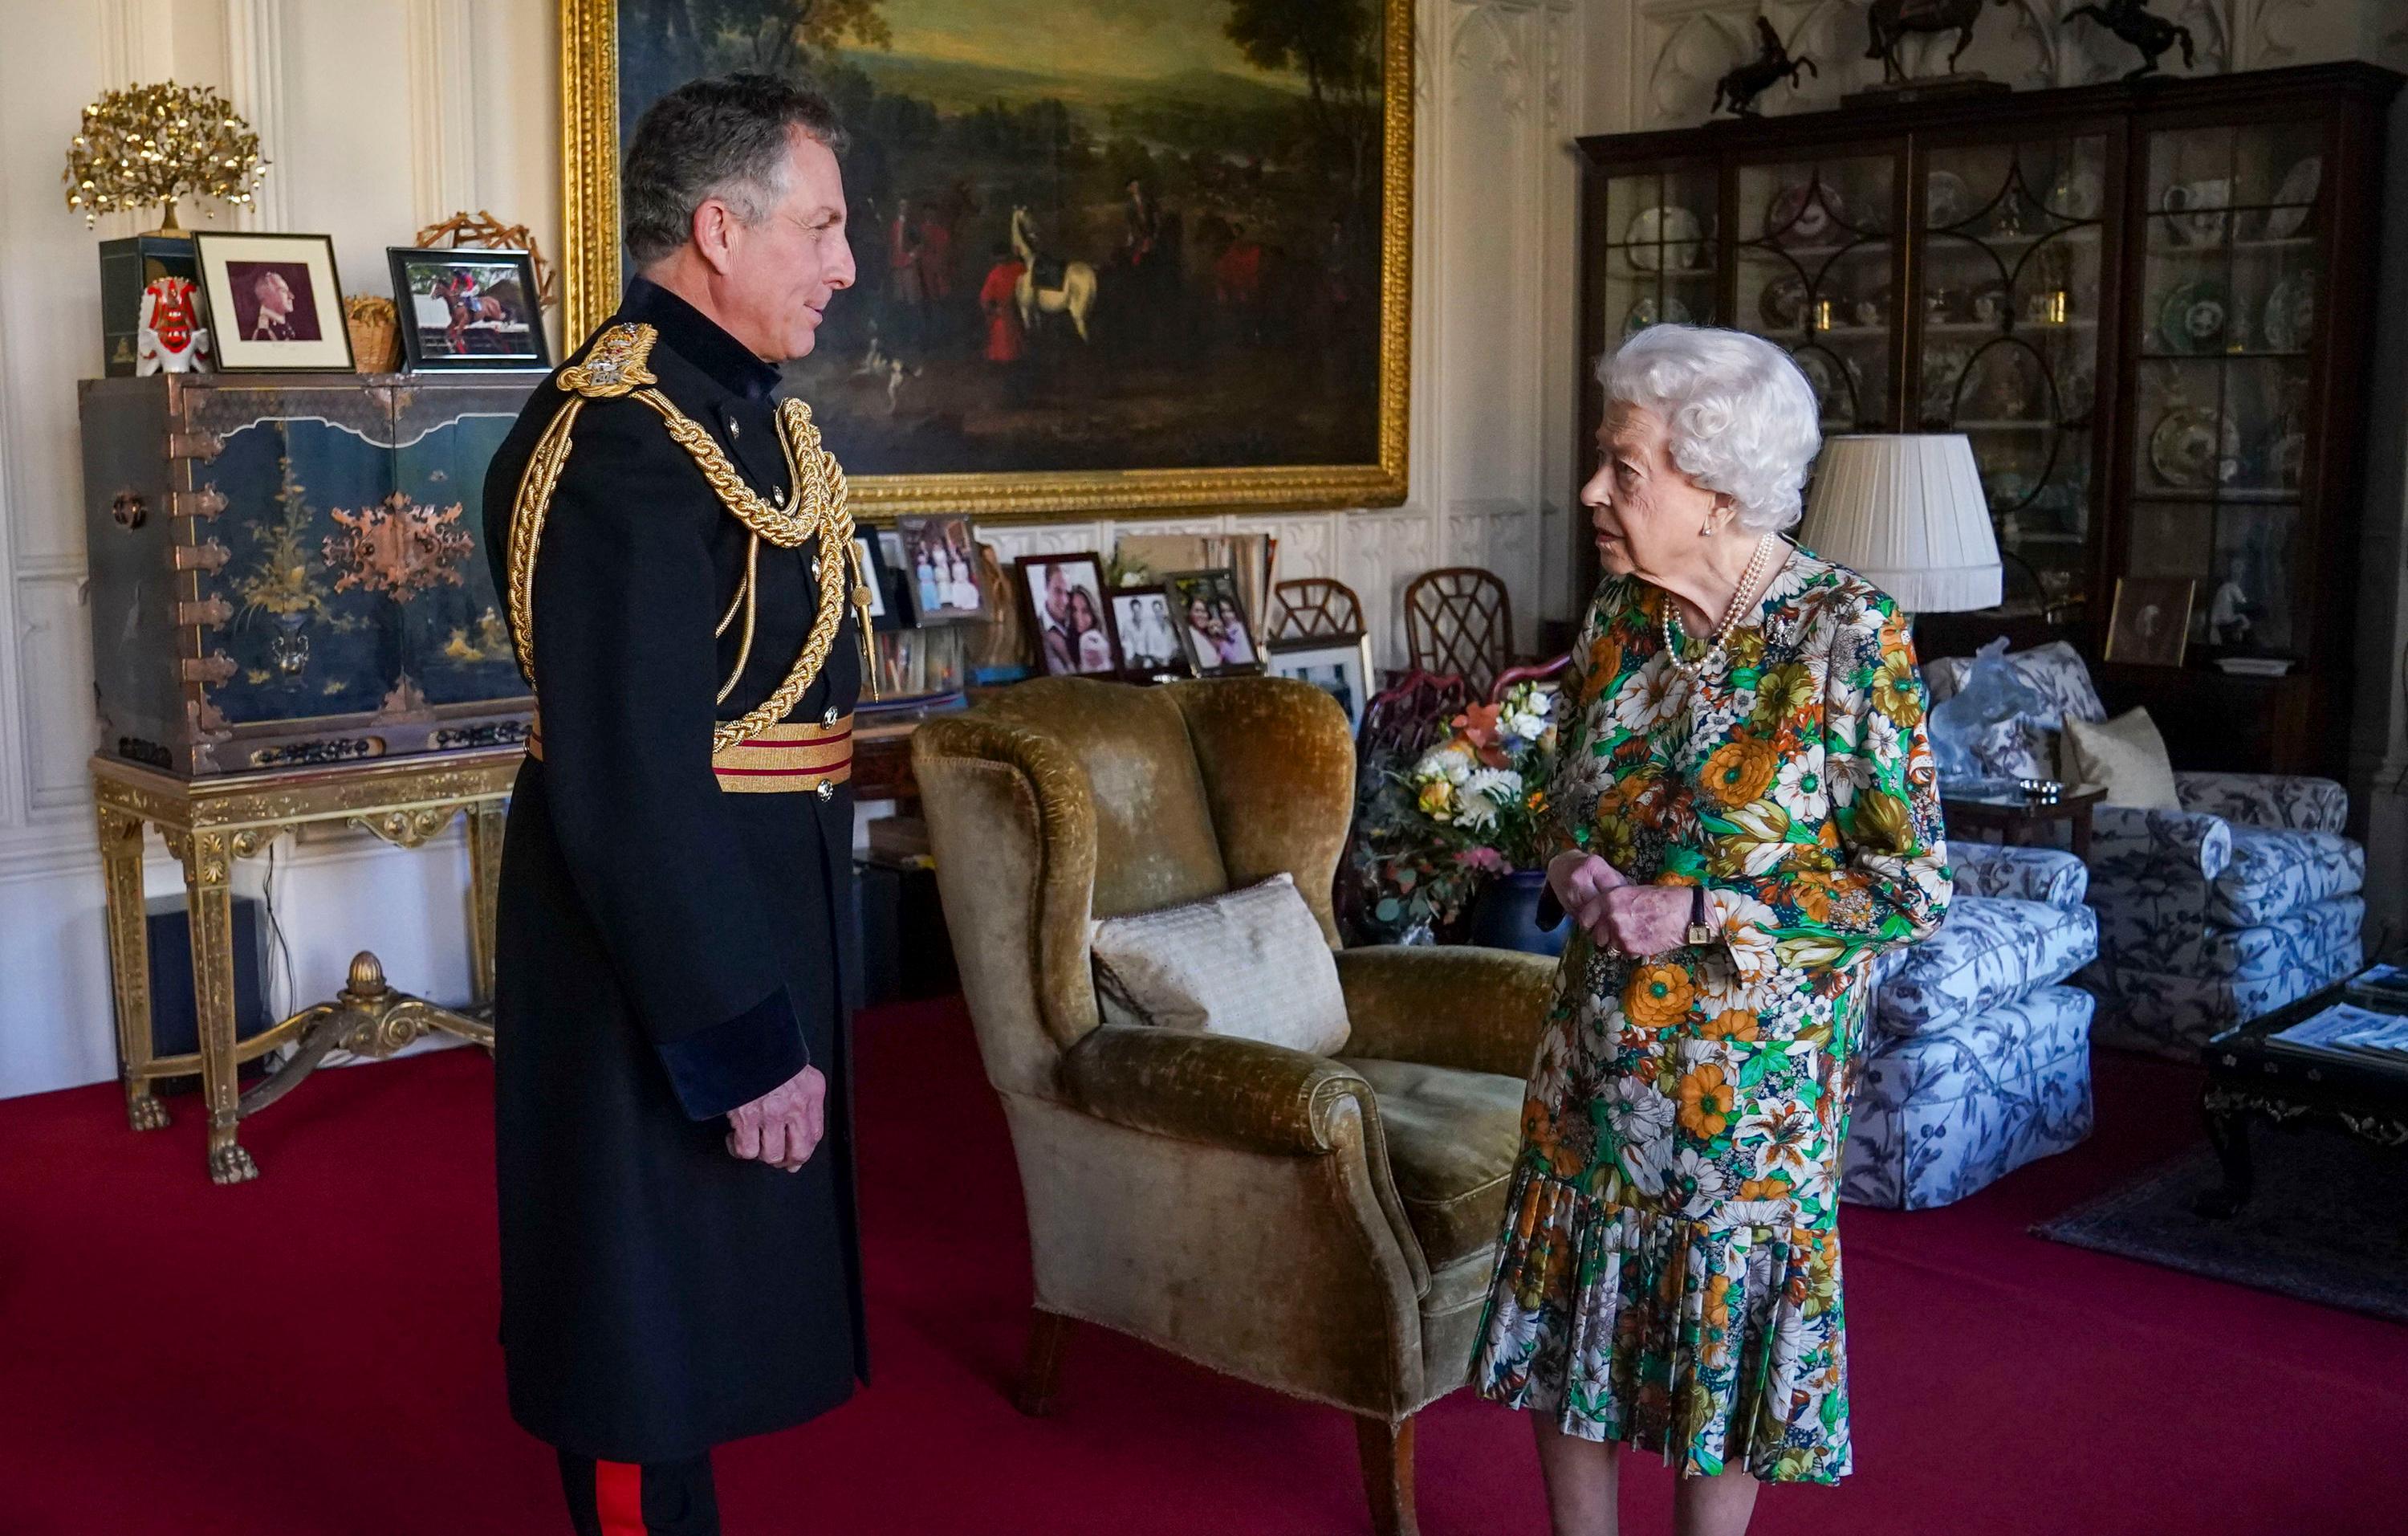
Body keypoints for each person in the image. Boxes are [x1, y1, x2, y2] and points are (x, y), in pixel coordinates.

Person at [1470, 324, 1951, 1536]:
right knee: (1571, 1332)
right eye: (1605, 461)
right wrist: (1569, 858)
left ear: (1720, 484)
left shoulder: (1850, 635)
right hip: (1592, 1065)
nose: (1593, 491)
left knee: (1723, 1349)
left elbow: (1908, 887)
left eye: (1623, 469)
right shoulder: (1624, 619)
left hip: (1748, 1094)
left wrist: (1700, 908)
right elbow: (1553, 791)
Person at [480, 73, 869, 1536]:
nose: (845, 264)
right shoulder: (622, 438)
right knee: (641, 1341)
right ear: (720, 227)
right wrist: (740, 1037)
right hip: (657, 956)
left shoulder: (738, 411)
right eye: (821, 228)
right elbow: (634, 780)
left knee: (701, 1315)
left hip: (753, 906)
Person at [978, 243, 1026, 365]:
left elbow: (985, 299)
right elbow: (986, 299)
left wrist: (995, 310)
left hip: (1015, 311)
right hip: (1014, 312)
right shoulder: (1018, 268)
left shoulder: (1015, 269)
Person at [1069, 585, 1112, 673]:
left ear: (1093, 613)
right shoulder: (1065, 640)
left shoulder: (1097, 639)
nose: (1079, 617)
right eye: (1074, 610)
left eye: (1085, 611)